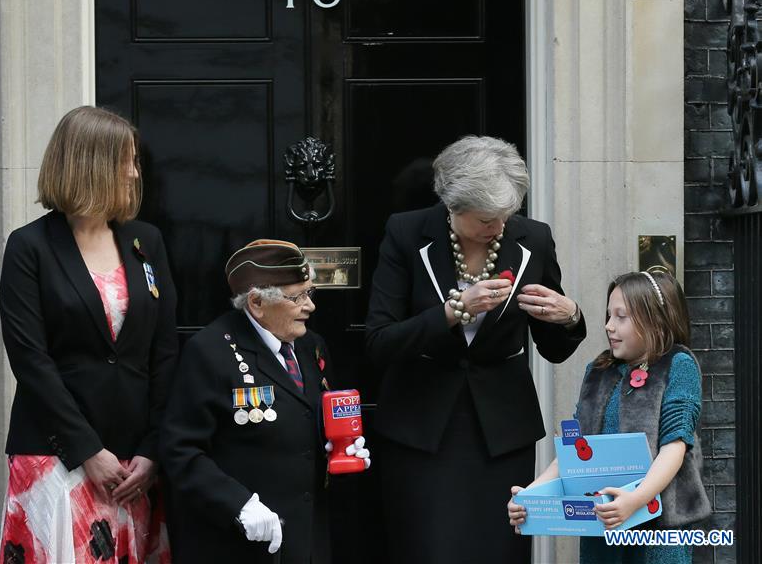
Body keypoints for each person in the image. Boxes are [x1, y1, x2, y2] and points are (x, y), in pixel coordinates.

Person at [365, 135, 586, 563]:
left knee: (498, 550)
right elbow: (379, 342)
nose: (499, 228)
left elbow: (554, 349)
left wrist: (569, 316)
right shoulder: (406, 233)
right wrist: (453, 311)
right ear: (453, 205)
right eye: (486, 219)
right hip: (421, 427)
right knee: (426, 550)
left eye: (506, 215)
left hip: (501, 432)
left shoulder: (534, 239)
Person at [0, 106, 177, 563]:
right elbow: (30, 360)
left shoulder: (145, 242)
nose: (135, 173)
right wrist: (87, 451)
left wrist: (153, 449)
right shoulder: (29, 247)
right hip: (56, 456)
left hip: (133, 467)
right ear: (92, 164)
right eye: (127, 161)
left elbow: (164, 351)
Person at [160, 239, 369, 563]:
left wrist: (341, 449)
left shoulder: (312, 346)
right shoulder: (210, 351)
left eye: (310, 293)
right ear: (257, 302)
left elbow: (308, 422)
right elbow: (180, 450)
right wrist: (238, 504)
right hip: (240, 544)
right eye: (296, 297)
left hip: (306, 541)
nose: (310, 306)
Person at [508, 271, 712, 563]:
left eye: (621, 317)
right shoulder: (598, 370)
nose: (608, 326)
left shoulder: (678, 365)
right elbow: (575, 450)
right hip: (602, 524)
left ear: (656, 320)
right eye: (608, 315)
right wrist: (530, 496)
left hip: (658, 528)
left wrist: (636, 499)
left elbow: (675, 446)